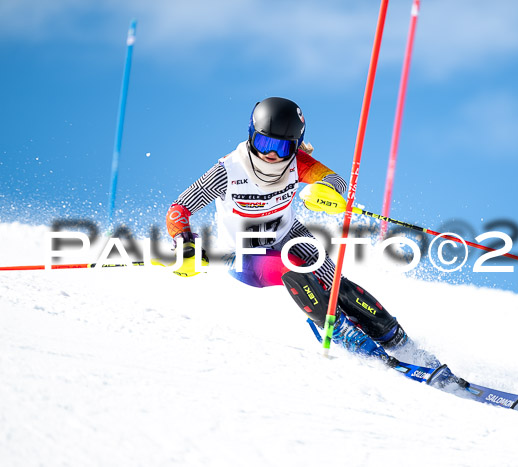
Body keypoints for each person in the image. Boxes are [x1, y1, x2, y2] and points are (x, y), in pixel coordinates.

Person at [164, 97, 438, 367]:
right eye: (264, 142)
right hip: (244, 252)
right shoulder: (229, 170)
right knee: (294, 270)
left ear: (295, 146)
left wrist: (323, 192)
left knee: (336, 284)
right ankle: (344, 334)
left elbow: (336, 180)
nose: (271, 154)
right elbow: (180, 208)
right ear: (251, 136)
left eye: (283, 147)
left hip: (288, 234)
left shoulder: (298, 162)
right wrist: (183, 242)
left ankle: (399, 342)